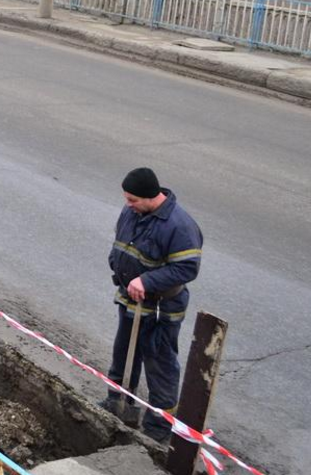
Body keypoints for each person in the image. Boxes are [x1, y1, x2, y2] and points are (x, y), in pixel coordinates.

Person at [100, 167, 203, 444]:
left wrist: (147, 280)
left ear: (150, 196)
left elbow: (187, 268)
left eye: (132, 199)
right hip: (130, 298)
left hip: (160, 306)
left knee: (159, 362)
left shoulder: (179, 226)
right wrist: (117, 262)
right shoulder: (132, 212)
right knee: (123, 353)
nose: (127, 204)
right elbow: (120, 241)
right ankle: (119, 402)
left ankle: (159, 425)